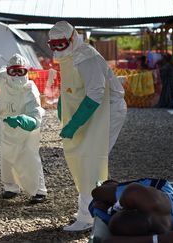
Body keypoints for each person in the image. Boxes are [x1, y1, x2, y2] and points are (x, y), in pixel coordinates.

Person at [47, 21, 127, 231]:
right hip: (95, 113)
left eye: (60, 44)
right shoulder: (71, 55)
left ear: (72, 39)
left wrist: (74, 123)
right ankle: (93, 207)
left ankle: (87, 216)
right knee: (84, 158)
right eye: (52, 45)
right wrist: (64, 109)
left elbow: (95, 93)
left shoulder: (86, 57)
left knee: (90, 159)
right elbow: (70, 87)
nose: (56, 49)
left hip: (107, 111)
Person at [90, 179, 173, 243]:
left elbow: (110, 242)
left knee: (98, 193)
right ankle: (113, 187)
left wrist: (112, 210)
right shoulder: (148, 202)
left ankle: (112, 187)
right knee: (100, 194)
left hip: (160, 203)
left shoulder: (149, 206)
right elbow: (132, 191)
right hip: (159, 195)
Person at [0, 53, 47, 204]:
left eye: (21, 71)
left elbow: (36, 114)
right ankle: (10, 187)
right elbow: (1, 70)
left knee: (30, 158)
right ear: (8, 72)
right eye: (14, 71)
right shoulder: (3, 80)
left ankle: (39, 190)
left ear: (27, 72)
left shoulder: (30, 89)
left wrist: (22, 120)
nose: (17, 75)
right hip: (6, 126)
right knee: (6, 157)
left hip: (25, 129)